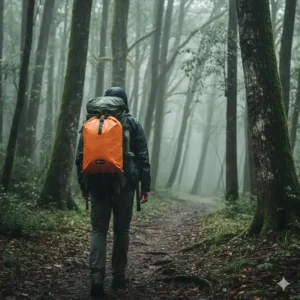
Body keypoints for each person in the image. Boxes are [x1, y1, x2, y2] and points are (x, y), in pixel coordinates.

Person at [75, 87, 151, 297]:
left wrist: (83, 186)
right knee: (121, 231)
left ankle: (97, 278)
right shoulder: (131, 122)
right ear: (124, 103)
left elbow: (80, 156)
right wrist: (146, 186)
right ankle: (118, 278)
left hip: (97, 184)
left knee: (98, 231)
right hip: (125, 186)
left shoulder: (91, 123)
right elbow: (143, 156)